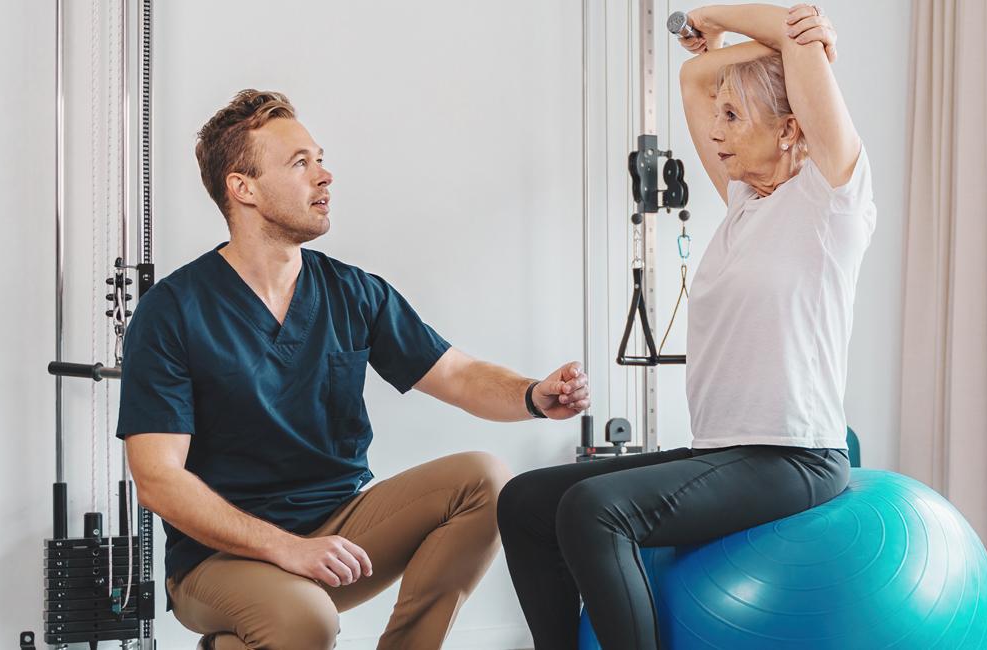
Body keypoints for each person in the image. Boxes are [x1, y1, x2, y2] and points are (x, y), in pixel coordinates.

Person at [117, 89, 590, 650]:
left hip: (340, 532)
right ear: (242, 188)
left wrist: (534, 394)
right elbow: (157, 479)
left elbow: (457, 375)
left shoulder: (353, 292)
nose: (325, 175)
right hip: (219, 558)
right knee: (304, 623)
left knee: (485, 481)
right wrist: (285, 548)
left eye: (319, 158)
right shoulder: (173, 311)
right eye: (300, 163)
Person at [496, 5, 873, 649]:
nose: (716, 131)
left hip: (796, 457)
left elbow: (794, 26)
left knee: (595, 513)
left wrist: (713, 17)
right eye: (719, 119)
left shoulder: (831, 200)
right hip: (724, 450)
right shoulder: (743, 202)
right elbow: (697, 79)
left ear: (790, 129)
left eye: (735, 117)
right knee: (526, 501)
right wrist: (730, 47)